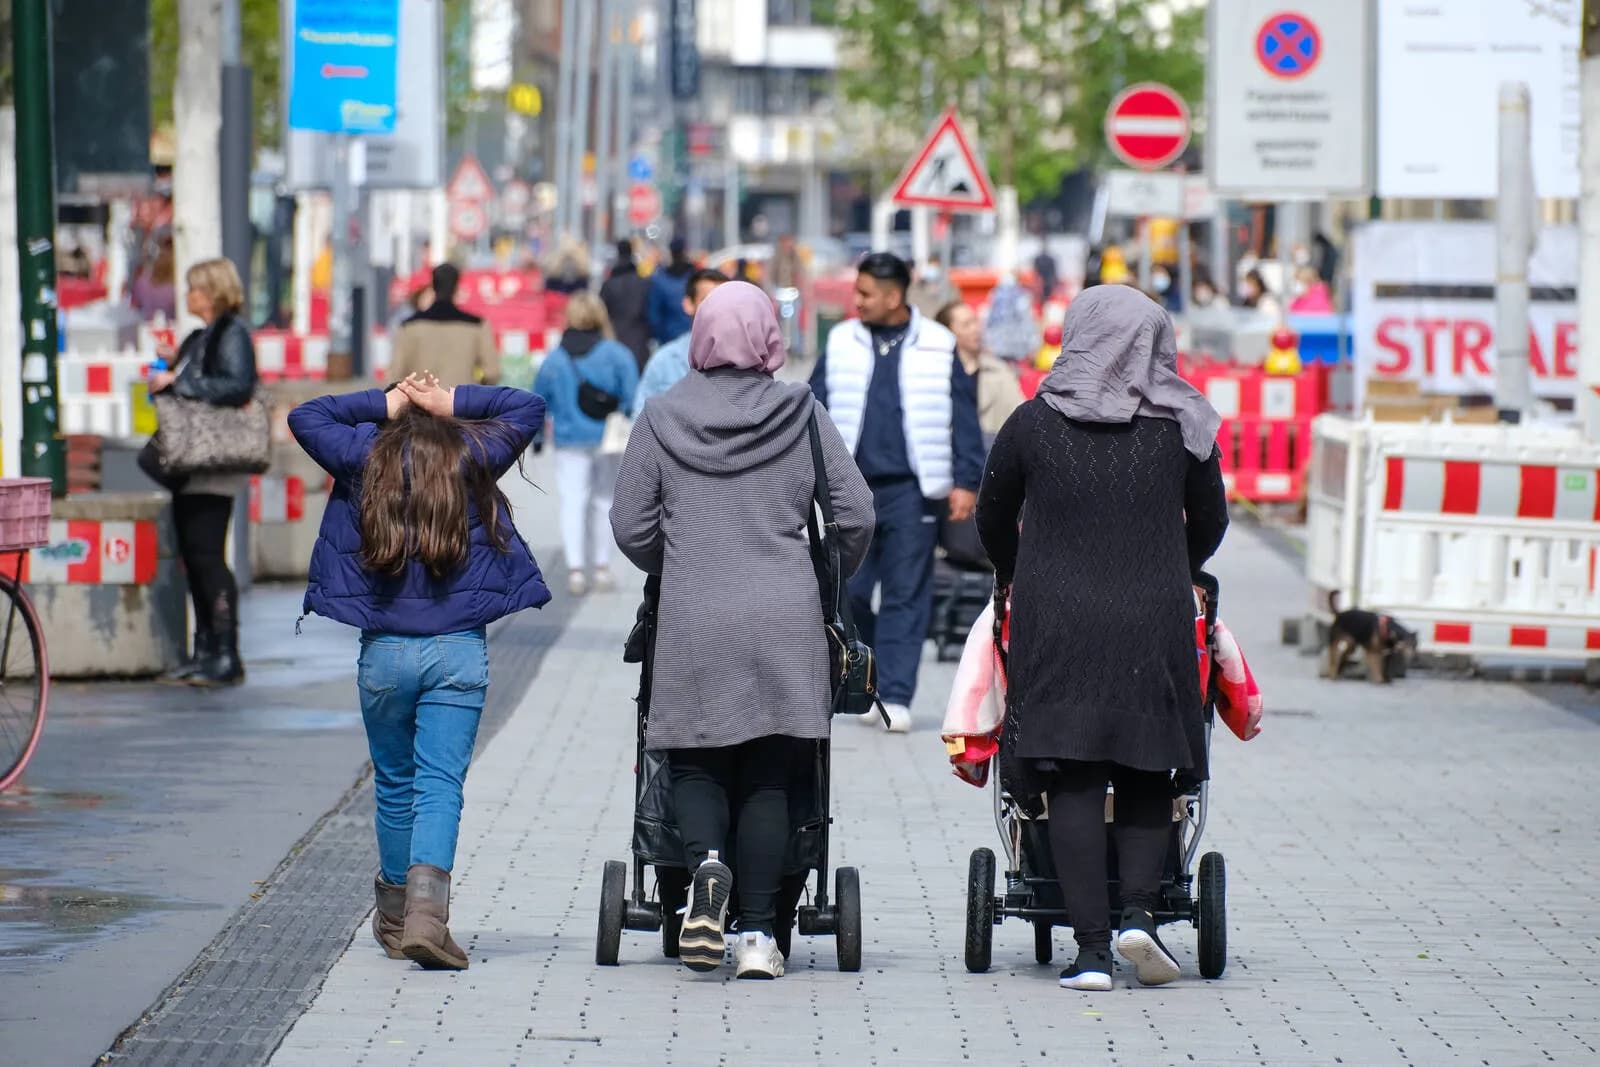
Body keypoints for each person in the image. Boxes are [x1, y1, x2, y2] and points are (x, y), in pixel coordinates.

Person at [610, 282, 874, 979]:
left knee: (695, 758)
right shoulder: (802, 413)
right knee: (771, 773)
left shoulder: (663, 417)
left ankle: (706, 867)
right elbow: (857, 513)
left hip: (694, 615)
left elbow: (629, 525)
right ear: (768, 339)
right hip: (784, 617)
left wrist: (683, 554)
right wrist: (826, 569)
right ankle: (760, 938)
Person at [975, 285, 1230, 993]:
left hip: (1057, 620)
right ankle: (1139, 915)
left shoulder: (1033, 421)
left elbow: (993, 515)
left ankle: (1089, 954)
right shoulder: (1184, 423)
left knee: (1076, 778)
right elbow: (1210, 522)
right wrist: (1178, 563)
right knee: (1149, 769)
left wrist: (1011, 569)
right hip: (1153, 615)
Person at [289, 373, 550, 972]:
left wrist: (384, 403)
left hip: (384, 653)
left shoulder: (364, 458)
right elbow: (527, 406)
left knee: (395, 782)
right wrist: (451, 400)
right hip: (457, 648)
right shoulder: (470, 455)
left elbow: (307, 416)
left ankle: (393, 911)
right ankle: (428, 920)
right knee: (439, 785)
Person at [810, 252, 983, 733]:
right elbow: (812, 405)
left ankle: (898, 694)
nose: (857, 301)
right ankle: (863, 683)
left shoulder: (939, 344)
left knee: (908, 593)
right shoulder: (842, 341)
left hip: (914, 490)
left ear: (892, 296)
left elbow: (963, 417)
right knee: (854, 589)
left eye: (865, 293)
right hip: (851, 489)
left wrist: (968, 480)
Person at [148, 257, 258, 687]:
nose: (188, 295)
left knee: (208, 555)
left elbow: (238, 385)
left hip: (213, 459)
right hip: (191, 461)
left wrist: (180, 382)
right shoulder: (200, 336)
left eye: (195, 288)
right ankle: (205, 649)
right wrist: (174, 366)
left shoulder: (232, 333)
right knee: (193, 556)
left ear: (213, 292)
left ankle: (226, 653)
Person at [532, 293, 639, 597]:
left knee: (572, 502)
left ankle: (576, 571)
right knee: (605, 501)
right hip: (608, 439)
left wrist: (538, 439)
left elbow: (538, 400)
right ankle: (602, 568)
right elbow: (632, 398)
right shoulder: (617, 354)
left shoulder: (555, 358)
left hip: (568, 441)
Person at [631, 268, 729, 415]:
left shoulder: (745, 364)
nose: (716, 309)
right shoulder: (664, 361)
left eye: (723, 301)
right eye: (708, 301)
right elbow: (640, 417)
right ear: (688, 304)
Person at [389, 264, 499, 387]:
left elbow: (395, 375)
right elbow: (492, 373)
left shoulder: (409, 327)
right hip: (461, 403)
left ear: (434, 287)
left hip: (420, 402)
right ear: (456, 288)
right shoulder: (477, 326)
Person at [936, 300, 1025, 438]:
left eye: (975, 322)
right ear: (948, 332)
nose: (975, 329)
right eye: (966, 325)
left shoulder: (999, 371)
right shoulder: (937, 374)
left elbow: (1020, 417)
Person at [600, 240, 653, 369]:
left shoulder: (609, 284)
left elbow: (601, 313)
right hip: (639, 340)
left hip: (615, 338)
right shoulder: (644, 283)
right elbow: (651, 313)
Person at [982, 273, 1041, 365]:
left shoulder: (994, 296)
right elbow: (1027, 323)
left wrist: (987, 343)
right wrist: (1033, 345)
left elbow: (987, 323)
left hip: (998, 347)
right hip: (1017, 348)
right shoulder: (1021, 297)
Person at [647, 236, 696, 344]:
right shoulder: (696, 277)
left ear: (671, 253)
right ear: (685, 251)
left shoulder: (659, 280)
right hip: (694, 339)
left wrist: (659, 336)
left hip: (668, 339)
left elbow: (654, 316)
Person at [908, 253, 958, 319]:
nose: (933, 270)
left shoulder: (951, 289)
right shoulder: (914, 290)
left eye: (936, 266)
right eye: (930, 266)